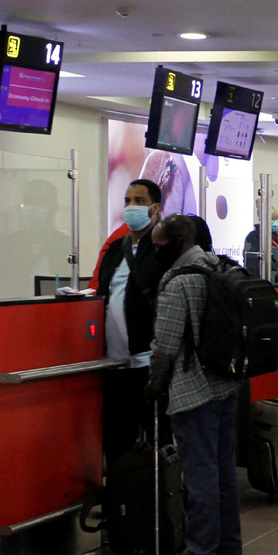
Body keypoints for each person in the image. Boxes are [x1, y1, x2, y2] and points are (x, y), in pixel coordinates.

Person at [147, 215, 243, 555]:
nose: (155, 252)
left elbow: (167, 345)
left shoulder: (178, 283)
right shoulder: (219, 268)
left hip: (192, 390)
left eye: (159, 245)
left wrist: (154, 384)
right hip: (226, 383)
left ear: (179, 239)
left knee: (199, 475)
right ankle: (229, 552)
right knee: (223, 474)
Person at [88, 179, 175, 464]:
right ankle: (122, 501)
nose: (131, 207)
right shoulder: (116, 248)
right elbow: (102, 291)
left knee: (159, 436)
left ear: (155, 208)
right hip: (114, 362)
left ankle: (165, 500)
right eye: (127, 200)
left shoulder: (165, 251)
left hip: (148, 360)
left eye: (138, 200)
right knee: (116, 439)